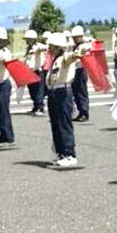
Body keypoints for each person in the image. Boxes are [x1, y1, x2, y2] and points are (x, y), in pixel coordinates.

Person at [45, 32, 81, 167]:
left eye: (51, 46)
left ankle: (69, 154)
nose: (49, 49)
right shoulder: (55, 59)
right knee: (56, 123)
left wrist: (76, 55)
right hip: (54, 91)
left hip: (63, 91)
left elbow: (70, 57)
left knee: (64, 123)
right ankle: (61, 152)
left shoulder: (64, 58)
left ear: (57, 47)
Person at [23, 29, 48, 116]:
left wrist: (39, 48)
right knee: (32, 91)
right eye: (27, 39)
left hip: (37, 71)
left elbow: (45, 47)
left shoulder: (38, 46)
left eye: (29, 39)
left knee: (38, 90)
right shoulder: (28, 49)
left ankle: (40, 107)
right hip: (29, 72)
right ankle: (35, 106)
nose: (28, 41)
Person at [70, 25, 92, 122]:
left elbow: (87, 51)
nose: (75, 39)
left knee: (82, 92)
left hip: (81, 69)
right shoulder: (75, 46)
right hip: (74, 70)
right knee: (76, 92)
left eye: (77, 37)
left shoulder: (85, 46)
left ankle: (84, 112)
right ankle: (80, 111)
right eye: (74, 37)